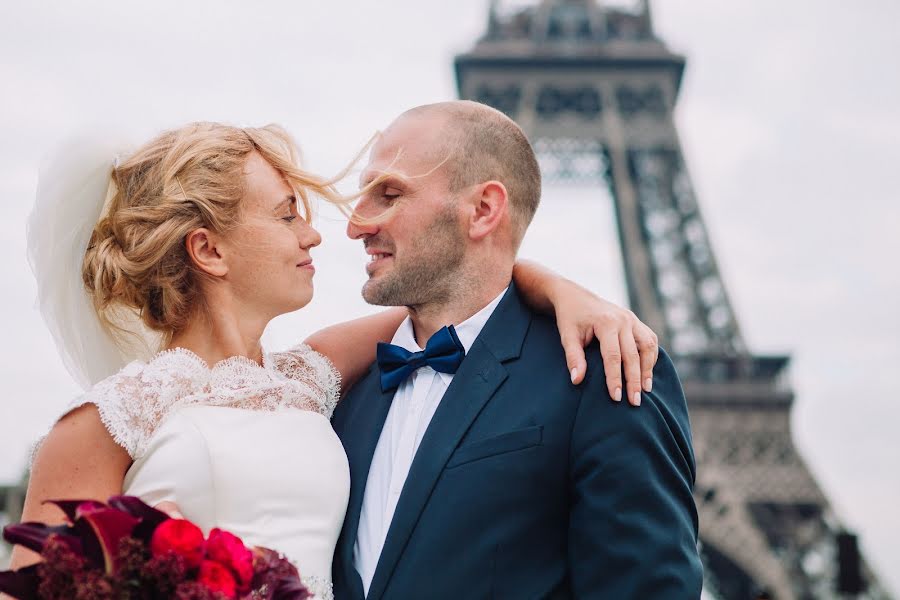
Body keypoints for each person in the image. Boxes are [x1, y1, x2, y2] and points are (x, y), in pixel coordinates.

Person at [9, 122, 659, 599]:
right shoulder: (104, 421)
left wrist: (565, 291)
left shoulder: (308, 376)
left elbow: (462, 286)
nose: (317, 233)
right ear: (209, 250)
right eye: (288, 214)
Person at [330, 101, 703, 599]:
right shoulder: (340, 390)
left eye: (390, 194)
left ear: (484, 210)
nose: (356, 224)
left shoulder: (603, 374)